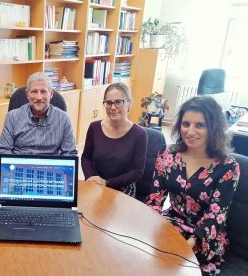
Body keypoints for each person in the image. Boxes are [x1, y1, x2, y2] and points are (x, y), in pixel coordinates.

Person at [146, 95, 240, 275]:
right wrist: (148, 227)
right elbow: (155, 199)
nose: (190, 131)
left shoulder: (228, 167)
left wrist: (188, 244)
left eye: (200, 125)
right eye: (185, 123)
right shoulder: (168, 154)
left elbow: (216, 216)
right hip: (171, 224)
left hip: (204, 236)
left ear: (214, 128)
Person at [81, 82, 147, 197]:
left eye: (118, 102)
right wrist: (90, 178)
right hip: (96, 185)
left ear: (128, 104)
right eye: (108, 103)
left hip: (123, 188)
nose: (113, 107)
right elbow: (85, 157)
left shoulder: (139, 134)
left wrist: (107, 183)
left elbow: (138, 172)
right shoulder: (94, 127)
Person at [0, 72, 77, 156]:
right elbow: (4, 150)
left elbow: (69, 153)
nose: (39, 97)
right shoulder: (12, 117)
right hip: (19, 167)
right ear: (27, 95)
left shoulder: (63, 119)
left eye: (43, 92)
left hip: (50, 167)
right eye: (34, 92)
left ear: (51, 94)